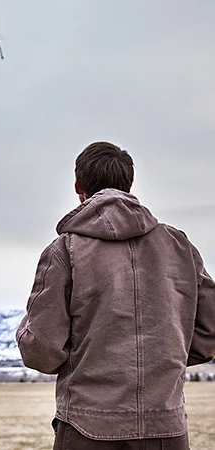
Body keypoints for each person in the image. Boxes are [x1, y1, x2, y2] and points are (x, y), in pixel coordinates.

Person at [16, 142, 215, 450]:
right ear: (129, 183)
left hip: (87, 428)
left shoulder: (65, 251)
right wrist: (162, 358)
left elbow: (41, 350)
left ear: (78, 186)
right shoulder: (179, 246)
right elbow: (209, 331)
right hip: (166, 428)